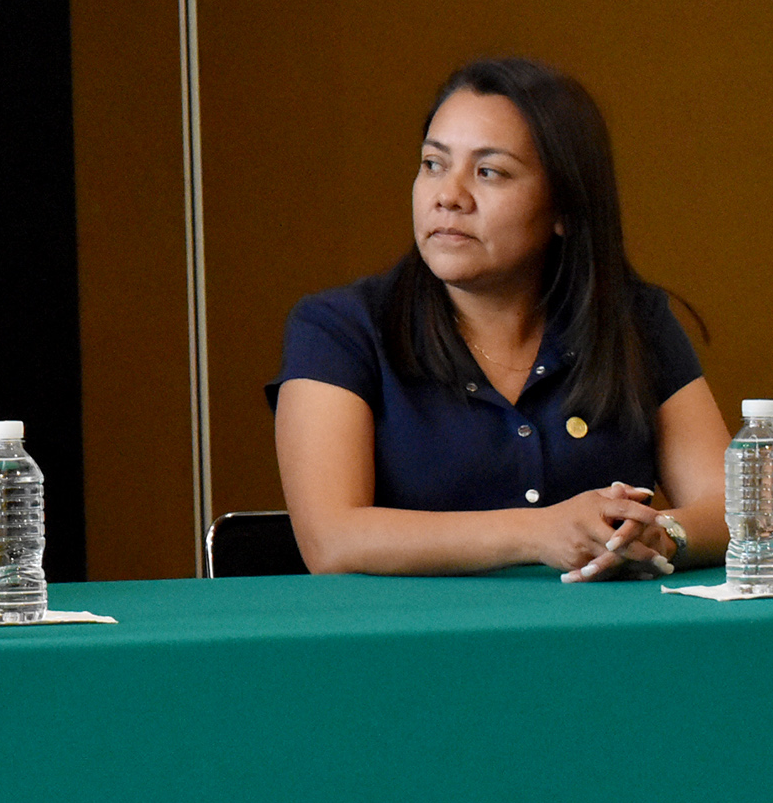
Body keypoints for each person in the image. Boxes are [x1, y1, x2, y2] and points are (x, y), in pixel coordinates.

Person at [270, 57, 728, 579]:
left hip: (602, 627)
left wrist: (661, 534)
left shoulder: (631, 320)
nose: (448, 196)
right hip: (414, 631)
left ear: (564, 209)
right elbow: (332, 540)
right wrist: (540, 532)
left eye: (489, 172)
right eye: (433, 164)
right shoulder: (339, 328)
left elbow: (734, 509)